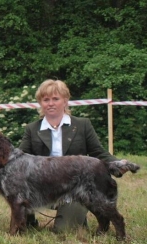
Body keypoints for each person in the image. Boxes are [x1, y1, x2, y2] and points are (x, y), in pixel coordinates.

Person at [19, 79, 124, 232]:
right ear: (40, 103)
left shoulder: (82, 125)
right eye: (46, 99)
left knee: (64, 231)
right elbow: (20, 159)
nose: (50, 103)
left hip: (75, 188)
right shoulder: (32, 129)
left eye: (55, 99)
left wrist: (118, 164)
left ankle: (78, 217)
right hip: (42, 189)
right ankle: (28, 221)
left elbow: (98, 152)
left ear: (65, 101)